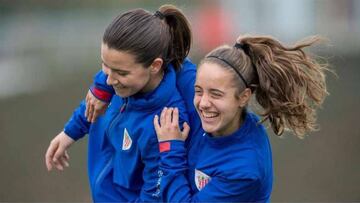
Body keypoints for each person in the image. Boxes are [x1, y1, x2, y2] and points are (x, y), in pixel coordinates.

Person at [44, 5, 195, 202]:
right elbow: (95, 100)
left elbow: (154, 193)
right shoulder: (120, 84)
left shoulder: (166, 123)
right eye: (105, 66)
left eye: (121, 73)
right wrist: (70, 132)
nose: (108, 80)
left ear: (155, 66)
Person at [153, 35, 330, 202]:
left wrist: (170, 147)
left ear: (244, 97)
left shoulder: (245, 168)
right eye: (198, 90)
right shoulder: (204, 97)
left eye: (216, 94)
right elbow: (154, 54)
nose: (203, 103)